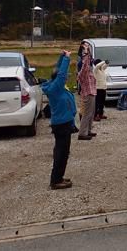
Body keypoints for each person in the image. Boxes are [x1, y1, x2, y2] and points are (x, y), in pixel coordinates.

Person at [42, 51, 77, 190]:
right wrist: (67, 59)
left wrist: (62, 57)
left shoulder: (54, 85)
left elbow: (57, 71)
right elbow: (61, 74)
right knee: (61, 153)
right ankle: (56, 180)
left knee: (63, 152)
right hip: (62, 125)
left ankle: (59, 177)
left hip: (64, 123)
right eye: (64, 78)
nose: (66, 79)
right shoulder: (56, 88)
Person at [77, 42, 97, 141]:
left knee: (91, 113)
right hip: (88, 94)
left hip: (92, 93)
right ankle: (82, 133)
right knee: (86, 114)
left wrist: (88, 51)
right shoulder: (83, 73)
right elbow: (85, 63)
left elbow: (89, 61)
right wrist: (85, 52)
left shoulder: (89, 70)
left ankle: (88, 130)